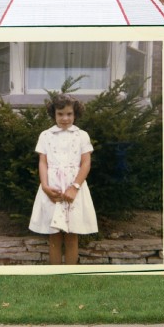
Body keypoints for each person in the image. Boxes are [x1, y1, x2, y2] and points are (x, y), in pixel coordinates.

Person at [28, 94, 98, 264]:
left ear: (75, 114)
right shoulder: (46, 135)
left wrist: (74, 187)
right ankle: (56, 275)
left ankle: (70, 274)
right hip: (53, 187)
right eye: (60, 114)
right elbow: (43, 162)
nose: (65, 118)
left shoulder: (82, 135)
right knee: (54, 235)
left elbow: (86, 162)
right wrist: (45, 186)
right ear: (54, 114)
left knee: (72, 234)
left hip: (74, 187)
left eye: (69, 114)